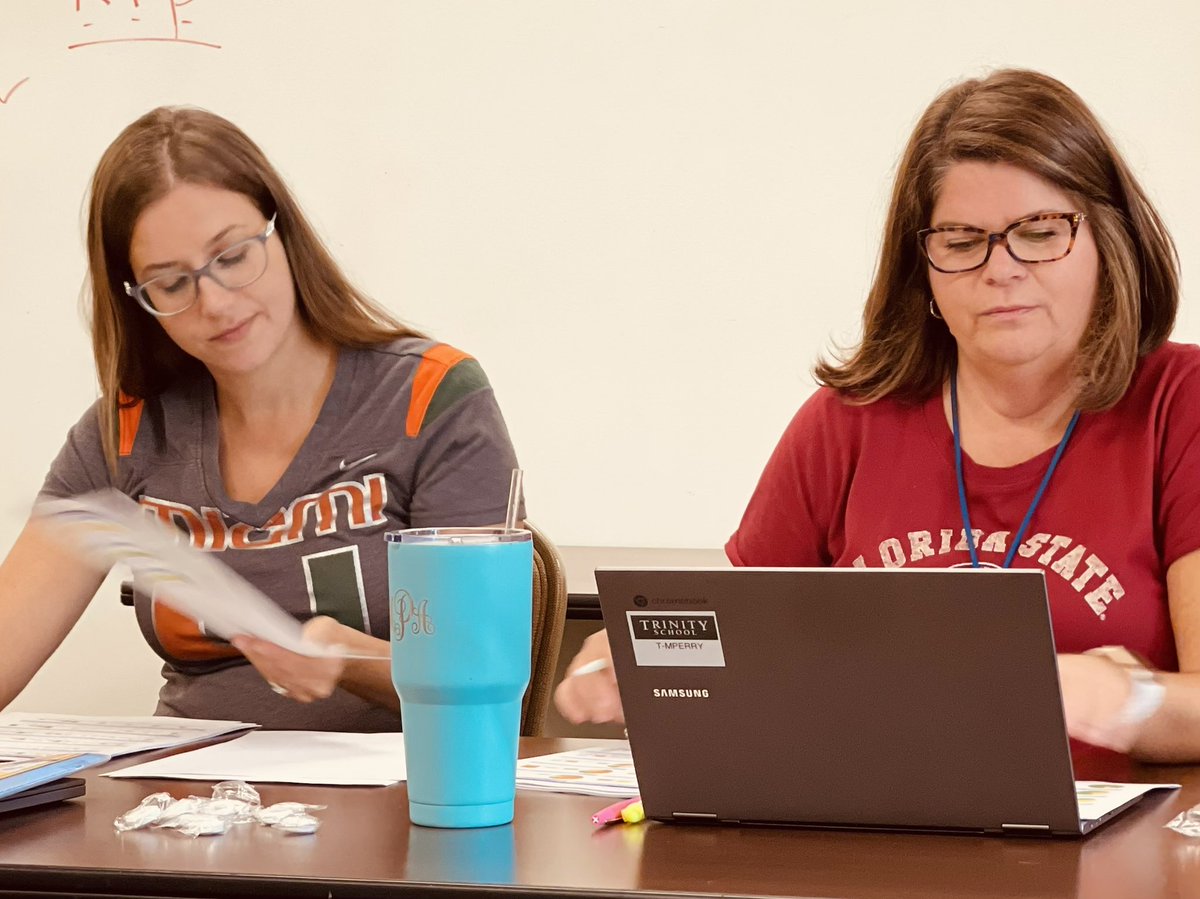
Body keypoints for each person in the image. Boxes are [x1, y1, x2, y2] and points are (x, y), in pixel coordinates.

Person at [556, 68, 1200, 763]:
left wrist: (1121, 699)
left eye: (1040, 233)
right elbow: (737, 651)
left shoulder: (1179, 403)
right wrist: (647, 657)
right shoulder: (845, 423)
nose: (1001, 267)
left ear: (1110, 241)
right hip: (875, 852)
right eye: (960, 241)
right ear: (920, 267)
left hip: (1113, 859)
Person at [0, 107, 523, 731]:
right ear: (138, 302)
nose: (215, 303)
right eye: (171, 285)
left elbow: (483, 679)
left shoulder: (429, 397)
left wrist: (346, 659)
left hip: (402, 800)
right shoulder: (127, 431)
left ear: (283, 232)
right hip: (191, 801)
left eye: (233, 255)